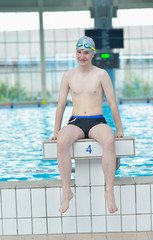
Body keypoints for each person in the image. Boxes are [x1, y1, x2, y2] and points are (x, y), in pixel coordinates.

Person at [52, 36, 124, 214]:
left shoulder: (101, 74)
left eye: (86, 53)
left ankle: (109, 191)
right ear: (75, 53)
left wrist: (120, 129)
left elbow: (113, 103)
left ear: (92, 54)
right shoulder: (68, 76)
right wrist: (56, 130)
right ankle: (67, 191)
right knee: (61, 142)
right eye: (79, 52)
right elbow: (61, 105)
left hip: (96, 120)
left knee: (108, 140)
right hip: (76, 121)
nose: (82, 56)